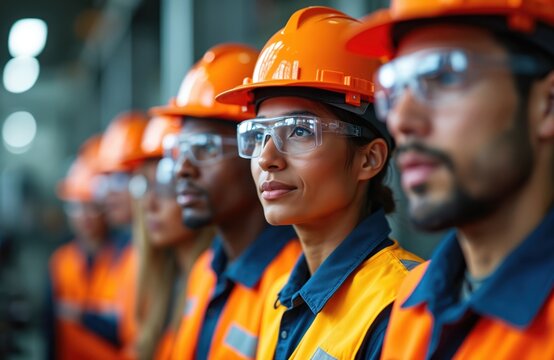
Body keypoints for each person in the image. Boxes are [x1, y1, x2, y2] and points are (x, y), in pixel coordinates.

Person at [347, 1, 554, 358]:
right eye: (395, 89)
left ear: (547, 104)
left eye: (444, 76)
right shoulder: (414, 300)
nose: (401, 120)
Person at [216, 7, 422, 360]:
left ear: (369, 159)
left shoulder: (401, 305)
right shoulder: (281, 297)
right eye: (258, 133)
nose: (267, 158)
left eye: (299, 130)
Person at [154, 43, 302, 360]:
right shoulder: (205, 270)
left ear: (255, 148)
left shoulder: (294, 281)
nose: (182, 169)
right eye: (179, 149)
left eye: (204, 147)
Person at [127, 115, 213, 360]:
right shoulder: (163, 284)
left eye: (166, 185)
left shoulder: (212, 284)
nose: (149, 204)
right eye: (144, 186)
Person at [48, 135, 134, 360]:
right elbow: (51, 332)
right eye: (77, 207)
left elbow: (129, 327)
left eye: (91, 208)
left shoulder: (127, 256)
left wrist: (81, 315)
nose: (84, 217)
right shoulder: (61, 261)